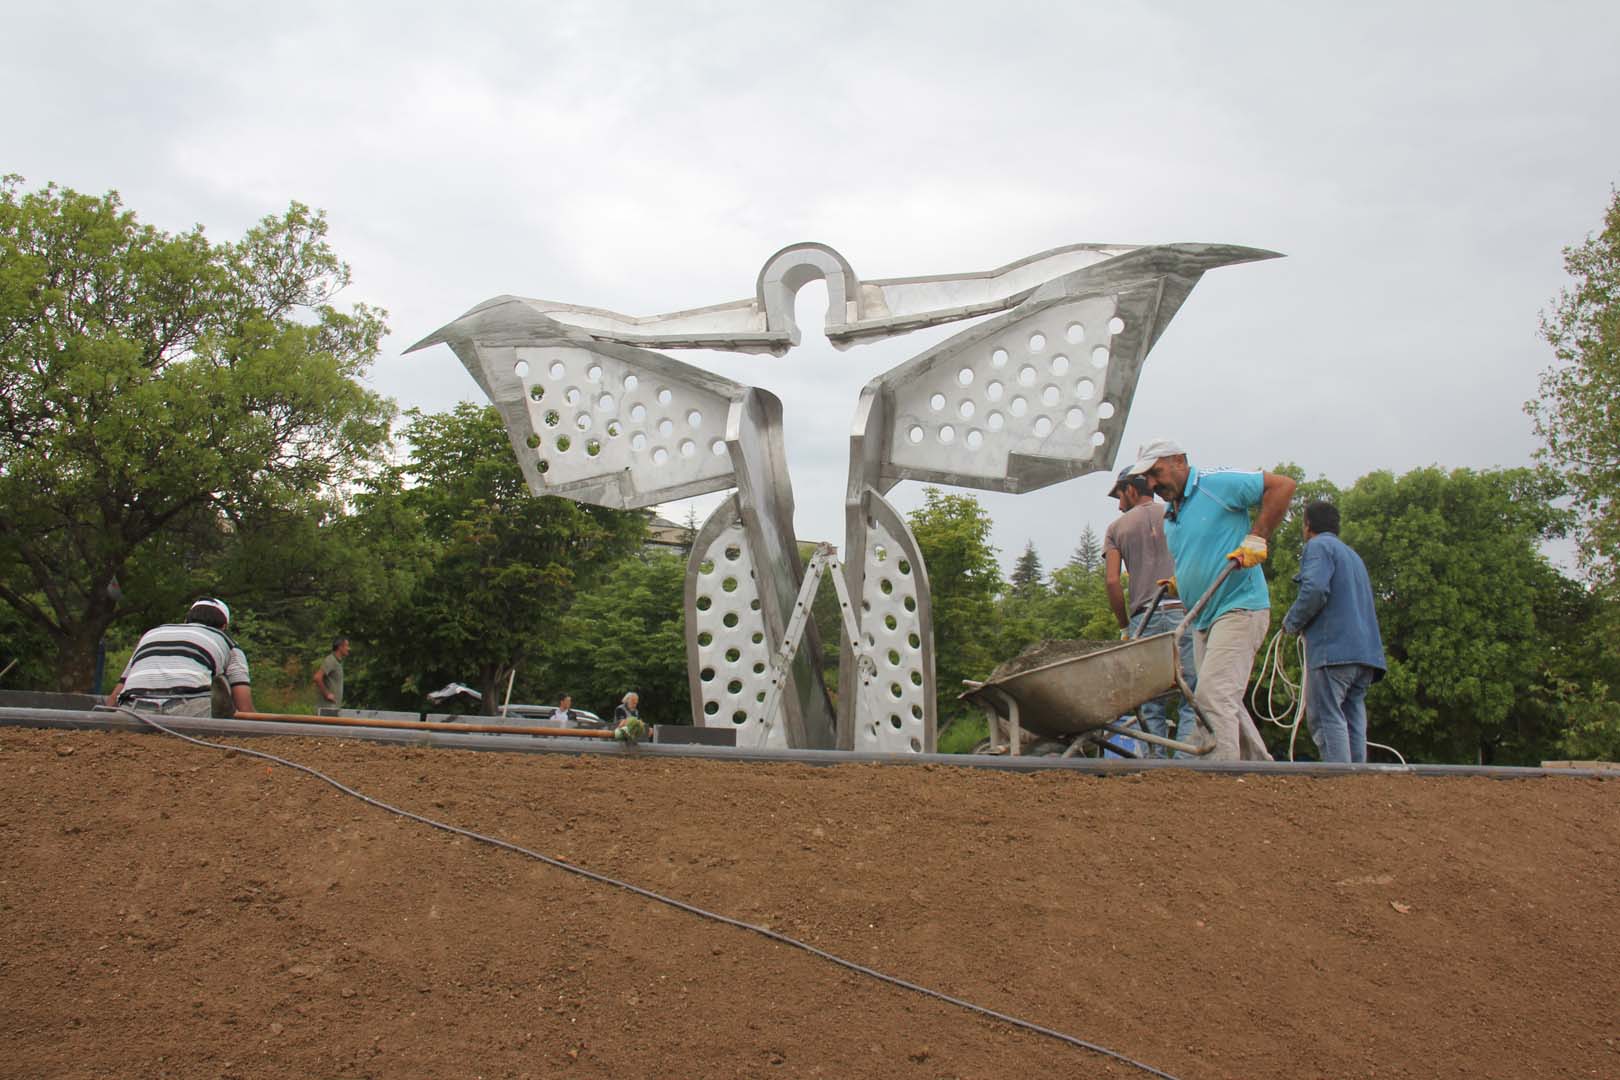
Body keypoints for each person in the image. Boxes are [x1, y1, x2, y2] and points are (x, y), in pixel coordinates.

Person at [1128, 438, 1296, 761]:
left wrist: (1257, 537)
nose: (1151, 483)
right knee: (1220, 701)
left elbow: (1283, 486)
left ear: (1179, 461)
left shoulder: (1215, 485)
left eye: (1155, 473)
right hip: (1203, 618)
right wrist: (1182, 582)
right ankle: (1260, 772)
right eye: (1146, 477)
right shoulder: (1171, 516)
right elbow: (1198, 553)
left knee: (1212, 697)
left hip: (1239, 607)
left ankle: (1219, 780)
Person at [1281, 500, 1387, 763]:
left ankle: (1339, 779)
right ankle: (1356, 779)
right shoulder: (1352, 556)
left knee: (1325, 715)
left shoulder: (1317, 546)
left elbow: (1315, 589)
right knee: (1353, 717)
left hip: (1334, 650)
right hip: (1365, 654)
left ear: (1308, 525)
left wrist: (1291, 622)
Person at [1103, 466, 1198, 756]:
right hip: (1183, 613)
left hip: (1144, 619)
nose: (1119, 505)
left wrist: (1124, 626)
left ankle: (1154, 766)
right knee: (1192, 692)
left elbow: (1112, 581)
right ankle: (1185, 764)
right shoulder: (1178, 515)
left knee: (1149, 699)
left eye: (1120, 496)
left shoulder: (1116, 529)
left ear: (1131, 489)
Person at [106, 598, 255, 717]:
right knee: (221, 680)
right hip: (189, 709)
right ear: (224, 626)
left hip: (133, 708)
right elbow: (244, 707)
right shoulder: (229, 643)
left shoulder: (152, 634)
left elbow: (116, 695)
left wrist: (106, 718)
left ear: (186, 620)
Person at [313, 637, 349, 709]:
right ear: (340, 647)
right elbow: (317, 677)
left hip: (333, 707)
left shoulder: (338, 662)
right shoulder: (331, 660)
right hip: (326, 708)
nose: (348, 648)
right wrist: (327, 694)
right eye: (347, 646)